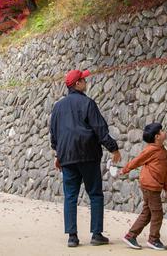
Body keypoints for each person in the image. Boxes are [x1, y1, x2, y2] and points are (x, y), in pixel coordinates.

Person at [50, 69, 120, 248]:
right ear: (77, 84)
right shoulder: (88, 103)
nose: (86, 83)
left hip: (67, 156)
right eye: (83, 80)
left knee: (70, 196)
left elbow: (54, 134)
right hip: (88, 155)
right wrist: (114, 149)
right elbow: (100, 129)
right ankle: (96, 234)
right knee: (95, 194)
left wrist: (58, 154)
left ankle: (72, 237)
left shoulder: (58, 107)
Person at [120, 122, 167, 251]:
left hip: (155, 186)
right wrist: (125, 170)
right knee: (157, 213)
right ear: (156, 137)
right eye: (161, 131)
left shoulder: (163, 150)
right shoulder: (150, 150)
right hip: (150, 186)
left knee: (147, 212)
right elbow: (137, 160)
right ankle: (153, 239)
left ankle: (131, 235)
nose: (164, 132)